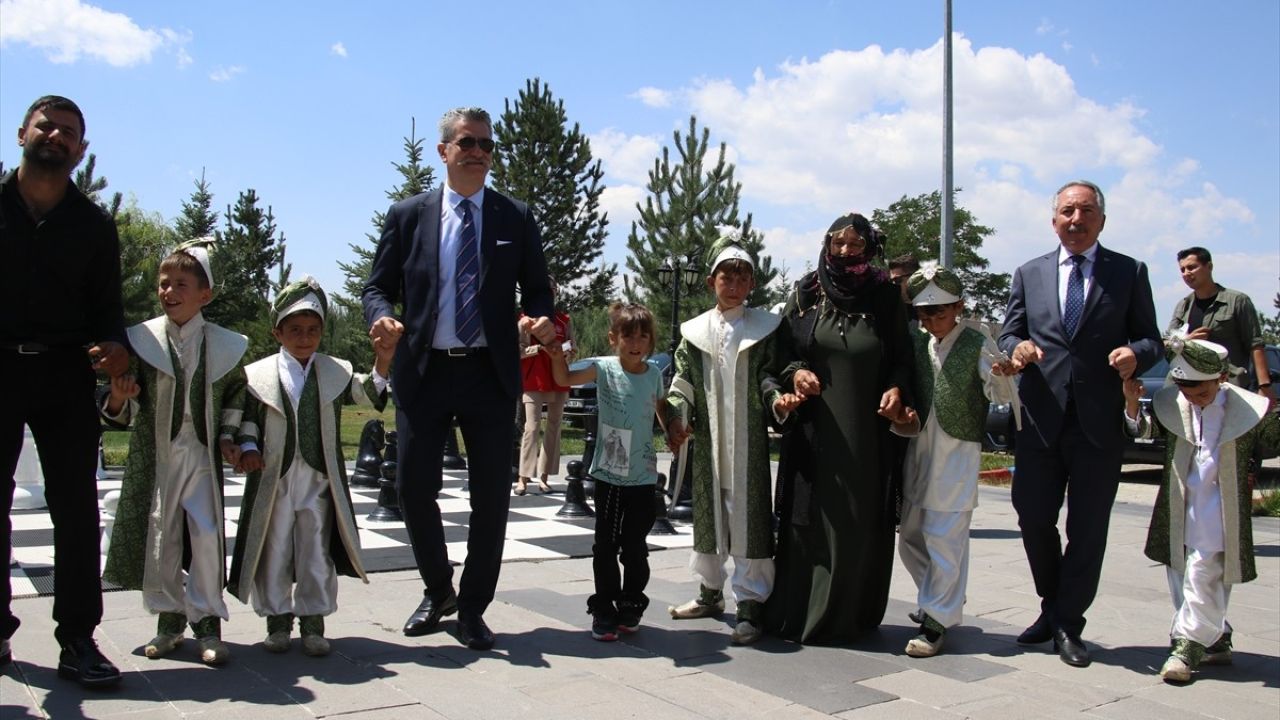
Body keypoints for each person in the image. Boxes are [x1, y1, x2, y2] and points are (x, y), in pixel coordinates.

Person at [363, 106, 555, 651]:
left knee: (490, 496)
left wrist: (541, 317)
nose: (478, 152)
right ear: (444, 151)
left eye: (486, 146)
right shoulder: (408, 215)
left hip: (489, 375)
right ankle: (438, 590)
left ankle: (473, 607)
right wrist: (379, 317)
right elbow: (376, 285)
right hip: (423, 372)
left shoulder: (513, 216)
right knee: (412, 489)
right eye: (467, 142)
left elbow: (538, 289)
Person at [999, 180, 1161, 667]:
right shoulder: (1030, 272)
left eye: (1085, 211)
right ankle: (1054, 607)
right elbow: (1010, 330)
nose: (1075, 219)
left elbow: (1151, 339)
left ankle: (1069, 623)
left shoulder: (1129, 272)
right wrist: (1016, 349)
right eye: (1067, 211)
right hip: (1040, 420)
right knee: (1032, 516)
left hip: (1099, 424)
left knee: (1088, 529)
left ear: (1101, 220)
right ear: (1054, 221)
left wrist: (1136, 353)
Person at [0, 94, 129, 686]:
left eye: (68, 132)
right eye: (45, 126)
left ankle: (78, 637)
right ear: (22, 132)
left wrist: (114, 349)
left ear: (81, 149)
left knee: (76, 510)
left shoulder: (94, 226)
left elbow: (107, 312)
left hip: (63, 376)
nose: (55, 135)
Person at [765, 212, 914, 644]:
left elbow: (903, 358)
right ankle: (802, 612)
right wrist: (796, 375)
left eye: (855, 244)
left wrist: (897, 389)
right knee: (811, 519)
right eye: (838, 243)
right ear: (827, 246)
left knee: (858, 522)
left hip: (868, 437)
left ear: (869, 247)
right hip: (814, 435)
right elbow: (784, 356)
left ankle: (851, 615)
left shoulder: (885, 296)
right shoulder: (806, 292)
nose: (846, 251)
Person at [101, 239, 248, 667]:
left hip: (200, 455)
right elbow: (124, 408)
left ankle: (207, 625)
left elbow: (237, 397)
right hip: (159, 455)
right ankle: (169, 623)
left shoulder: (225, 345)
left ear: (205, 294)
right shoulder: (141, 340)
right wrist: (119, 395)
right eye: (164, 284)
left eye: (180, 284)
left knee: (204, 535)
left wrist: (228, 435)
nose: (169, 291)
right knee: (161, 533)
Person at [227, 278, 391, 656]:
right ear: (277, 332)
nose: (305, 338)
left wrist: (382, 359)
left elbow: (367, 393)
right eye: (296, 330)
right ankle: (278, 622)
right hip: (275, 476)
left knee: (315, 546)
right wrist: (248, 446)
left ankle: (314, 622)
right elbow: (250, 419)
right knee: (275, 546)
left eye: (313, 330)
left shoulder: (334, 371)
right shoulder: (259, 374)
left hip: (317, 478)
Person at [664, 234, 800, 645]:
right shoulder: (695, 331)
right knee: (708, 517)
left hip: (747, 445)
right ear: (712, 282)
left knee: (748, 519)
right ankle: (709, 591)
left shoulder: (766, 328)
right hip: (707, 443)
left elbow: (769, 377)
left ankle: (751, 603)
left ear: (753, 283)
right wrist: (674, 416)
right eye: (727, 275)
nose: (735, 282)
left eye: (743, 275)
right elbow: (683, 378)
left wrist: (779, 401)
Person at [1122, 338, 1278, 683]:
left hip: (1220, 509)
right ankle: (1217, 639)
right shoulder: (1173, 402)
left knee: (1202, 573)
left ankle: (1185, 647)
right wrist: (1133, 407)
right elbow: (1148, 431)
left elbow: (1275, 439)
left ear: (1220, 378)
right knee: (1181, 572)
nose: (1193, 399)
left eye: (1201, 393)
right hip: (1178, 505)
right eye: (1187, 392)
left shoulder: (1248, 410)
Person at [891, 264, 1016, 657]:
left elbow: (999, 391)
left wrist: (1001, 373)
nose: (931, 320)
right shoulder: (919, 342)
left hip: (956, 452)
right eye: (924, 313)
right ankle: (939, 600)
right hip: (919, 448)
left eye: (939, 312)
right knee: (911, 536)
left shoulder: (976, 343)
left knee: (944, 538)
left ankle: (937, 619)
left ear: (959, 306)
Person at [545, 303, 678, 641]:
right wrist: (557, 355)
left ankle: (631, 603)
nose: (636, 343)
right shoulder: (603, 368)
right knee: (604, 545)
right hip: (608, 475)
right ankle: (603, 608)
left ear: (650, 341)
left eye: (643, 337)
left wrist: (673, 432)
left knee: (635, 547)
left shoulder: (652, 375)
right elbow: (563, 379)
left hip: (644, 477)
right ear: (613, 338)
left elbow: (660, 408)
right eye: (628, 336)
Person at [1168, 247, 1272, 400]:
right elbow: (1167, 345)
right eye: (1182, 269)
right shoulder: (1183, 306)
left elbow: (1255, 344)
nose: (1186, 273)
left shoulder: (1237, 300)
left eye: (1191, 267)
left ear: (1209, 267)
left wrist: (1264, 386)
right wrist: (1186, 341)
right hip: (1187, 390)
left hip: (1226, 387)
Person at [516, 278, 575, 495]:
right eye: (546, 289)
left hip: (559, 379)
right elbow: (518, 351)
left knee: (554, 427)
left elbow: (572, 347)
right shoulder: (524, 320)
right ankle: (523, 478)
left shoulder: (563, 320)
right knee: (531, 428)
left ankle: (544, 477)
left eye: (553, 289)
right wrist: (540, 349)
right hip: (533, 380)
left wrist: (565, 351)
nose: (550, 293)